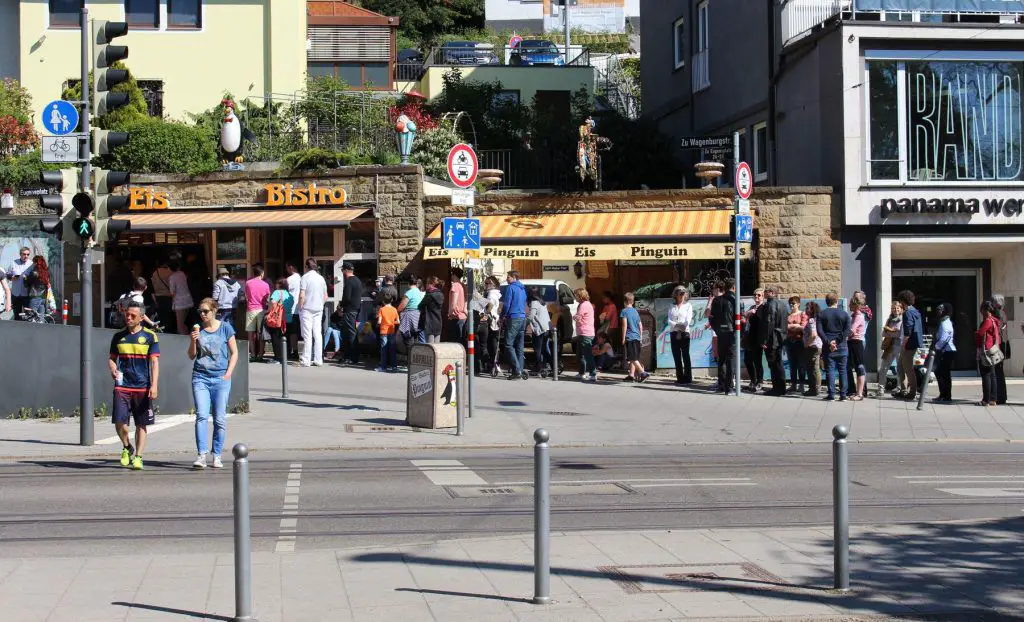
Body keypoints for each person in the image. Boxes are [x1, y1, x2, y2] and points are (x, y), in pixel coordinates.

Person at [108, 301, 160, 471]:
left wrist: (154, 385)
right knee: (119, 421)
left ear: (141, 318)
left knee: (141, 424)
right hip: (122, 385)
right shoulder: (118, 336)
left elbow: (154, 363)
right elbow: (111, 358)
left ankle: (138, 456)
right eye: (127, 314)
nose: (128, 318)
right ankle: (126, 447)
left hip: (142, 386)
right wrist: (113, 368)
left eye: (132, 316)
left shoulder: (150, 336)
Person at [188, 298, 238, 469]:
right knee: (201, 415)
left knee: (219, 419)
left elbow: (234, 353)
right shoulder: (198, 329)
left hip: (220, 378)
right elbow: (191, 355)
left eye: (205, 311)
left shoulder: (225, 328)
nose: (202, 314)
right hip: (200, 376)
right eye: (200, 311)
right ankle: (201, 454)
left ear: (214, 310)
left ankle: (216, 455)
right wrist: (193, 340)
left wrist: (228, 374)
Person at [817, 292, 852, 402]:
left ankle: (831, 394)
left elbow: (819, 331)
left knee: (830, 370)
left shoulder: (822, 314)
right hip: (842, 345)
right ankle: (843, 395)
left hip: (828, 347)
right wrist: (837, 341)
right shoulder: (845, 314)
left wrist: (829, 342)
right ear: (837, 301)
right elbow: (847, 331)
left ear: (826, 302)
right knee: (843, 371)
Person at [757, 286, 789, 396]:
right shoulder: (783, 305)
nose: (764, 293)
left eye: (765, 291)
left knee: (774, 364)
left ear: (771, 293)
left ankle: (777, 389)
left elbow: (768, 324)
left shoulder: (770, 305)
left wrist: (765, 341)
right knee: (778, 364)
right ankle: (781, 387)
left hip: (772, 339)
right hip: (780, 337)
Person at [298, 258, 328, 367]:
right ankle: (318, 359)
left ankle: (306, 359)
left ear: (306, 266)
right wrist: (320, 304)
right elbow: (325, 296)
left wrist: (300, 307)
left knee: (307, 335)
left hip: (307, 309)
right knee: (317, 334)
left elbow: (302, 295)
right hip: (318, 309)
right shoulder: (321, 278)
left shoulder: (305, 278)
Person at [709, 279, 737, 393]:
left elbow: (712, 318)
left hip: (721, 332)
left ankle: (722, 384)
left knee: (722, 359)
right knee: (730, 360)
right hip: (732, 333)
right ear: (734, 287)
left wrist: (718, 330)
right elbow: (738, 318)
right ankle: (729, 386)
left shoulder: (717, 300)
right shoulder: (734, 299)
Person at [896, 290, 923, 400]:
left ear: (903, 300)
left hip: (909, 344)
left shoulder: (908, 312)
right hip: (914, 343)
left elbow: (908, 332)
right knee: (901, 367)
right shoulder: (915, 311)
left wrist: (903, 345)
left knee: (908, 369)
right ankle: (903, 390)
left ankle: (912, 392)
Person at [502, 271, 528, 380]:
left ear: (513, 277)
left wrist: (502, 315)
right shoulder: (522, 288)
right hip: (522, 317)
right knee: (519, 346)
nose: (507, 279)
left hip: (514, 317)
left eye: (508, 277)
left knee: (508, 344)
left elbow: (507, 303)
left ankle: (517, 370)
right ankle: (520, 370)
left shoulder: (510, 288)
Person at [243, 265, 271, 363]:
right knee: (261, 333)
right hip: (261, 310)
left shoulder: (248, 283)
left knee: (250, 334)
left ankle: (253, 354)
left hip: (250, 309)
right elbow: (268, 299)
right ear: (262, 273)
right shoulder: (265, 285)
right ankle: (260, 355)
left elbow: (246, 296)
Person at [976, 300, 1002, 407]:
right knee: (992, 375)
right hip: (993, 349)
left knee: (986, 375)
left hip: (986, 350)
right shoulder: (994, 321)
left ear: (985, 310)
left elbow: (980, 334)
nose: (981, 311)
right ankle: (993, 399)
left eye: (982, 309)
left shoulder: (987, 321)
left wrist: (975, 334)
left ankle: (986, 400)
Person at [667, 286, 693, 384]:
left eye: (684, 293)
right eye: (680, 293)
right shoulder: (671, 306)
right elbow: (669, 320)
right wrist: (677, 325)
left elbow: (688, 320)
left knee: (686, 355)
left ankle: (688, 378)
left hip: (685, 333)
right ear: (676, 295)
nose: (682, 295)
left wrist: (681, 326)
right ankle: (680, 378)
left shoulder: (688, 306)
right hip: (674, 333)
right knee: (676, 356)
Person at [338, 262, 363, 365]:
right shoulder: (357, 280)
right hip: (355, 309)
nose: (342, 272)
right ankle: (348, 356)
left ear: (346, 270)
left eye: (342, 270)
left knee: (350, 334)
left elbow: (347, 297)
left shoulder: (349, 281)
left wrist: (341, 305)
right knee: (350, 333)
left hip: (349, 310)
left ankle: (353, 357)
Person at [620, 292, 648, 383]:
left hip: (629, 337)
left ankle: (643, 373)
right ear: (632, 301)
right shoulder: (635, 311)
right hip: (637, 337)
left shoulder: (624, 311)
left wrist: (623, 338)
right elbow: (640, 325)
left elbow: (624, 325)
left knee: (632, 358)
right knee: (634, 356)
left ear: (624, 301)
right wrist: (640, 336)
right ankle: (631, 375)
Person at [878, 300, 904, 396]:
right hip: (889, 346)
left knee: (900, 368)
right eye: (893, 308)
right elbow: (884, 333)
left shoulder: (903, 319)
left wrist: (890, 331)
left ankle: (899, 388)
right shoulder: (889, 319)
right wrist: (892, 331)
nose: (895, 310)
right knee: (883, 367)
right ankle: (881, 389)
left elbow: (898, 333)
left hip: (899, 346)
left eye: (897, 308)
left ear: (901, 309)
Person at [266, 278, 294, 365]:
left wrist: (268, 312)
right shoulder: (289, 295)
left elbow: (272, 302)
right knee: (285, 338)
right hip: (288, 319)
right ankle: (285, 356)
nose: (275, 285)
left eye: (276, 283)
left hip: (278, 319)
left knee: (276, 338)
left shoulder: (277, 292)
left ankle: (277, 357)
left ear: (279, 284)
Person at [933, 303, 956, 403]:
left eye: (940, 309)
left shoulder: (945, 323)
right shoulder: (944, 321)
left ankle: (945, 395)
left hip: (946, 351)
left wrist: (936, 346)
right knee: (942, 373)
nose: (938, 311)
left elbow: (944, 338)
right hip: (945, 350)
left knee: (942, 373)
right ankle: (944, 394)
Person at [742, 288, 764, 392]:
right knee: (747, 360)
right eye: (755, 295)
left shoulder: (763, 307)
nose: (756, 297)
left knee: (757, 361)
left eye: (759, 295)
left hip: (757, 338)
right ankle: (753, 380)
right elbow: (745, 317)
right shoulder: (752, 307)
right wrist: (748, 313)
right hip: (748, 337)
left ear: (763, 296)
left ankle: (759, 381)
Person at [573, 288, 597, 382]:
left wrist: (574, 316)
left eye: (576, 295)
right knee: (581, 355)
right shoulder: (587, 304)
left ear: (580, 296)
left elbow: (578, 318)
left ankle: (593, 374)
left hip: (585, 333)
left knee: (587, 355)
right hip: (585, 332)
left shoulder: (583, 305)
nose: (575, 297)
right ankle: (581, 373)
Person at [847, 299, 869, 401]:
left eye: (851, 304)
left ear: (855, 306)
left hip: (856, 343)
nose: (848, 305)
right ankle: (857, 392)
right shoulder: (854, 316)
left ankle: (860, 393)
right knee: (855, 367)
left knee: (859, 367)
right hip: (852, 342)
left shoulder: (859, 317)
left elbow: (851, 330)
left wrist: (842, 335)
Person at [785, 296, 807, 394]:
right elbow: (785, 327)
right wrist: (795, 326)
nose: (791, 305)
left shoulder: (803, 314)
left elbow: (803, 327)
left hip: (800, 341)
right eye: (790, 303)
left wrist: (792, 326)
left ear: (798, 304)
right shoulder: (788, 315)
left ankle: (801, 385)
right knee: (792, 364)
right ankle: (793, 384)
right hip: (790, 341)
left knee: (801, 364)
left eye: (793, 303)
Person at [528, 287, 552, 375]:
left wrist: (524, 323)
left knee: (537, 349)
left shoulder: (534, 303)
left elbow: (531, 316)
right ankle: (551, 365)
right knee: (544, 349)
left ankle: (538, 367)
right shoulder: (542, 302)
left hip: (539, 328)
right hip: (546, 328)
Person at [5, 246, 34, 318]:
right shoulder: (13, 263)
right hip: (15, 294)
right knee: (17, 315)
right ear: (20, 254)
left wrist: (27, 278)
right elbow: (8, 275)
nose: (26, 256)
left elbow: (33, 278)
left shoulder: (31, 264)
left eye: (28, 254)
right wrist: (12, 278)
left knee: (28, 316)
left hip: (26, 294)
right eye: (24, 254)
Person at [991, 295, 1009, 405]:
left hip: (999, 345)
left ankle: (999, 396)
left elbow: (996, 327)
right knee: (999, 371)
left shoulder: (998, 312)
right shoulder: (1002, 312)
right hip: (1002, 344)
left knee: (997, 372)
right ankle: (1001, 396)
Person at [397, 277, 425, 349]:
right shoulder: (419, 292)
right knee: (415, 335)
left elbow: (402, 306)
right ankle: (414, 354)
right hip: (418, 315)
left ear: (409, 284)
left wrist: (397, 311)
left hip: (409, 315)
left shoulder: (409, 292)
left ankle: (410, 355)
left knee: (407, 336)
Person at [483, 276, 503, 377]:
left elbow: (490, 306)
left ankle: (493, 364)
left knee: (491, 344)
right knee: (495, 343)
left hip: (492, 321)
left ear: (492, 285)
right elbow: (500, 306)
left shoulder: (491, 294)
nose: (485, 285)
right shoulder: (498, 293)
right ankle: (495, 363)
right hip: (497, 320)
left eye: (487, 283)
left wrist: (485, 313)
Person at [802, 301, 822, 397]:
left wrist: (807, 343)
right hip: (816, 346)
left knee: (813, 369)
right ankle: (815, 388)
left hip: (812, 346)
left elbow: (813, 335)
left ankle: (815, 389)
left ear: (812, 310)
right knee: (814, 368)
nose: (805, 310)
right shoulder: (816, 319)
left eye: (807, 308)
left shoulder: (812, 320)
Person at [376, 291, 400, 372]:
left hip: (383, 331)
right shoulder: (394, 309)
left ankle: (383, 367)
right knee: (392, 349)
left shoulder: (381, 309)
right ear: (392, 300)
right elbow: (398, 321)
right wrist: (392, 322)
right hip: (391, 331)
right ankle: (394, 367)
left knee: (383, 349)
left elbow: (379, 321)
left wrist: (380, 324)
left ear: (383, 301)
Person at [169, 259, 193, 336]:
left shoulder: (172, 277)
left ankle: (186, 341)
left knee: (180, 326)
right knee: (183, 323)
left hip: (179, 303)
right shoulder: (183, 274)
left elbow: (172, 291)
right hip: (188, 301)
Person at [151, 258, 174, 333]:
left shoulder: (155, 273)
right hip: (168, 296)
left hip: (158, 297)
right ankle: (169, 330)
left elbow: (153, 286)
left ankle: (162, 329)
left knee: (161, 314)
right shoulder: (169, 272)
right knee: (169, 315)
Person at [420, 276, 445, 344]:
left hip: (429, 323)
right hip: (438, 322)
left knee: (430, 347)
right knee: (437, 346)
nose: (426, 285)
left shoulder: (429, 295)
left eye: (427, 283)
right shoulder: (441, 294)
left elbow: (420, 306)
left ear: (431, 284)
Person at [285, 262, 302, 359]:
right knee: (296, 332)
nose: (286, 270)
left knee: (289, 332)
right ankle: (295, 351)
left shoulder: (289, 280)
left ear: (291, 267)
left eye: (287, 267)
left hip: (289, 309)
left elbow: (284, 293)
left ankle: (289, 350)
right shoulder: (301, 278)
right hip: (299, 309)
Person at [447, 267, 468, 342]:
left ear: (454, 275)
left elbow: (454, 302)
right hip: (463, 316)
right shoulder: (463, 285)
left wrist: (449, 314)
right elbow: (466, 300)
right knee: (461, 341)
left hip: (456, 316)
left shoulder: (455, 285)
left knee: (456, 342)